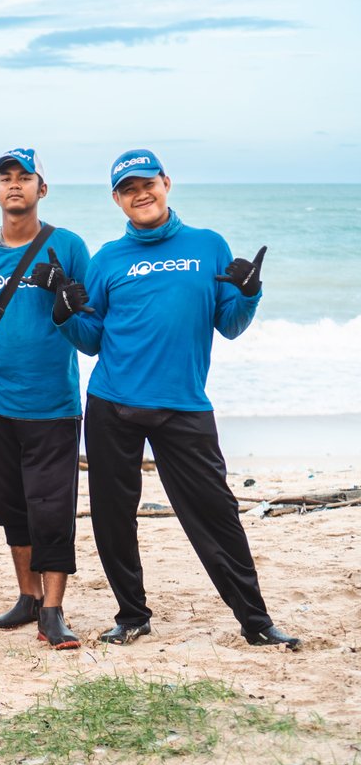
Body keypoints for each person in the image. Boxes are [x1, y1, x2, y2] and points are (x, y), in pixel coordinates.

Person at [51, 148, 299, 649]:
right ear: (117, 199)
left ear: (166, 182)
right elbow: (92, 338)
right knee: (112, 516)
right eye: (127, 188)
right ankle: (132, 615)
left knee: (215, 513)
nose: (140, 193)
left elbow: (229, 325)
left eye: (148, 182)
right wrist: (64, 313)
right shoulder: (107, 259)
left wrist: (249, 294)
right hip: (112, 404)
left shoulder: (207, 246)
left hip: (183, 404)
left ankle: (255, 621)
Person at [0, 149, 90, 649]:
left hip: (52, 404)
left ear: (41, 189)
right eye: (5, 178)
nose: (14, 185)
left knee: (51, 508)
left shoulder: (68, 246)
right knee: (8, 505)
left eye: (24, 178)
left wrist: (65, 302)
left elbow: (91, 330)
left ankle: (53, 609)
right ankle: (27, 597)